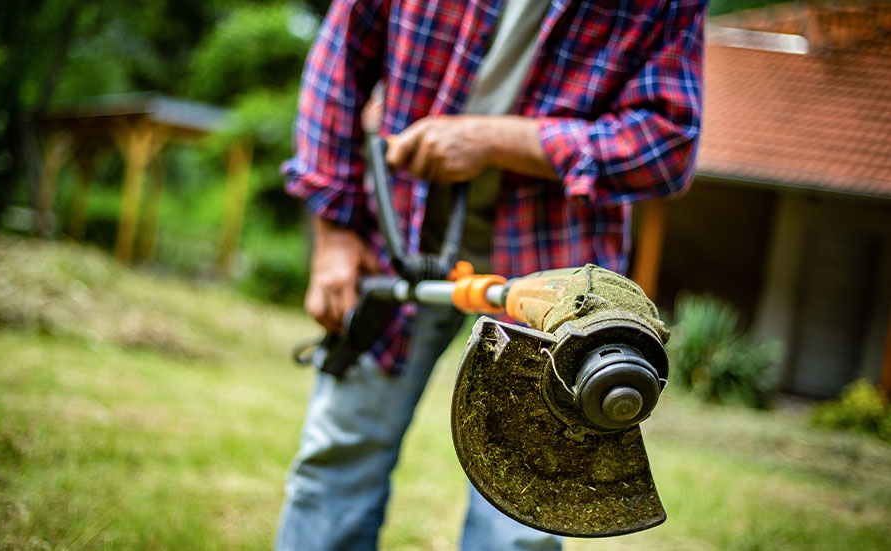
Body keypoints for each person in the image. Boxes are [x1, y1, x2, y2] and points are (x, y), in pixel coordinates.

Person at [277, 0, 705, 549]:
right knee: (337, 460)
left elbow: (668, 142)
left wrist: (496, 140)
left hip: (554, 275)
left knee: (521, 524)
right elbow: (338, 63)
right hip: (400, 236)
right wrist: (333, 235)